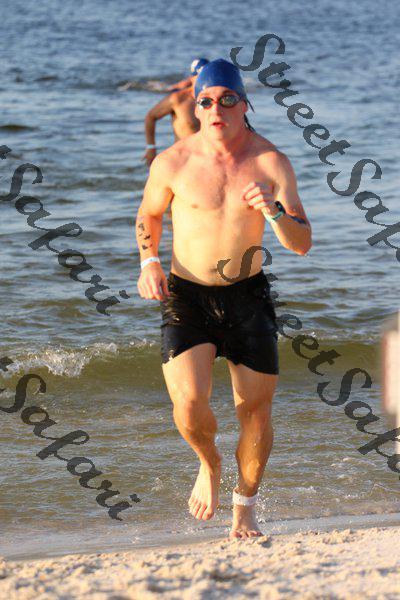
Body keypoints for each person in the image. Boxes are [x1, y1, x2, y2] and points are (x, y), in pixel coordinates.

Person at [136, 58, 312, 539]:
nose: (217, 108)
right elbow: (149, 215)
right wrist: (149, 262)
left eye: (228, 99)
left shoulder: (271, 162)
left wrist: (274, 212)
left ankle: (244, 505)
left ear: (244, 104)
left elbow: (302, 243)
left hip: (247, 298)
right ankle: (209, 462)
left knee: (254, 412)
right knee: (189, 405)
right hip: (187, 296)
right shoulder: (173, 162)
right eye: (207, 101)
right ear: (196, 107)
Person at [142, 58, 209, 167]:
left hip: (208, 159)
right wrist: (151, 147)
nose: (204, 81)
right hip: (183, 159)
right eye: (200, 77)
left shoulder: (216, 102)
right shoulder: (178, 99)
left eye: (207, 77)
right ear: (191, 78)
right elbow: (151, 116)